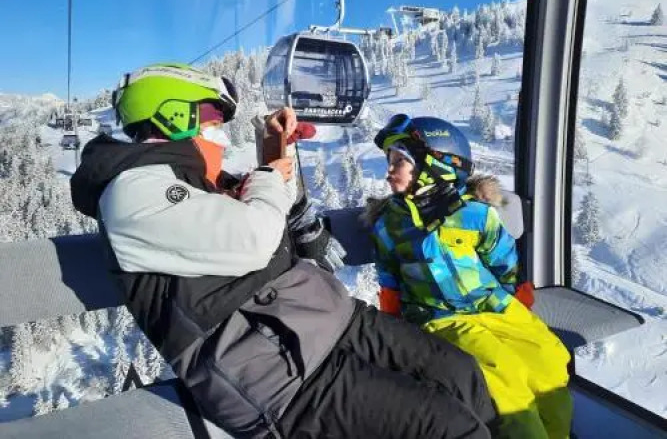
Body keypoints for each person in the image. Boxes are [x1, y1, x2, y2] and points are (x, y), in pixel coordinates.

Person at [70, 64, 498, 439]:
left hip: (325, 320)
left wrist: (275, 151)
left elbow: (275, 210)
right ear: (175, 115)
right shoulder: (135, 193)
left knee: (460, 373)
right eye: (214, 119)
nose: (221, 134)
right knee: (450, 428)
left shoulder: (190, 180)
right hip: (279, 373)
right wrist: (268, 175)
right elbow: (255, 237)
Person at [365, 113, 573, 439]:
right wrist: (391, 326)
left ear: (436, 164)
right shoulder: (390, 224)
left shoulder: (474, 213)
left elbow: (503, 261)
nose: (389, 171)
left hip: (495, 307)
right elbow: (389, 277)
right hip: (441, 318)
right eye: (390, 161)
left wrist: (516, 301)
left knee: (548, 360)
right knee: (503, 377)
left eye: (399, 161)